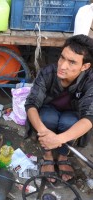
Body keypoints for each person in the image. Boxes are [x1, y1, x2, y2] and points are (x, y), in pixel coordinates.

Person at [25, 34, 93, 183]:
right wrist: (44, 132)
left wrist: (58, 139)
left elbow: (90, 117)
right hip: (49, 111)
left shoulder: (90, 82)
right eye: (62, 57)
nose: (62, 66)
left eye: (72, 62)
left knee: (70, 122)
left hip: (72, 115)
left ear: (85, 66)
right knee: (48, 118)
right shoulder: (48, 72)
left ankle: (63, 156)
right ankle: (48, 155)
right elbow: (31, 103)